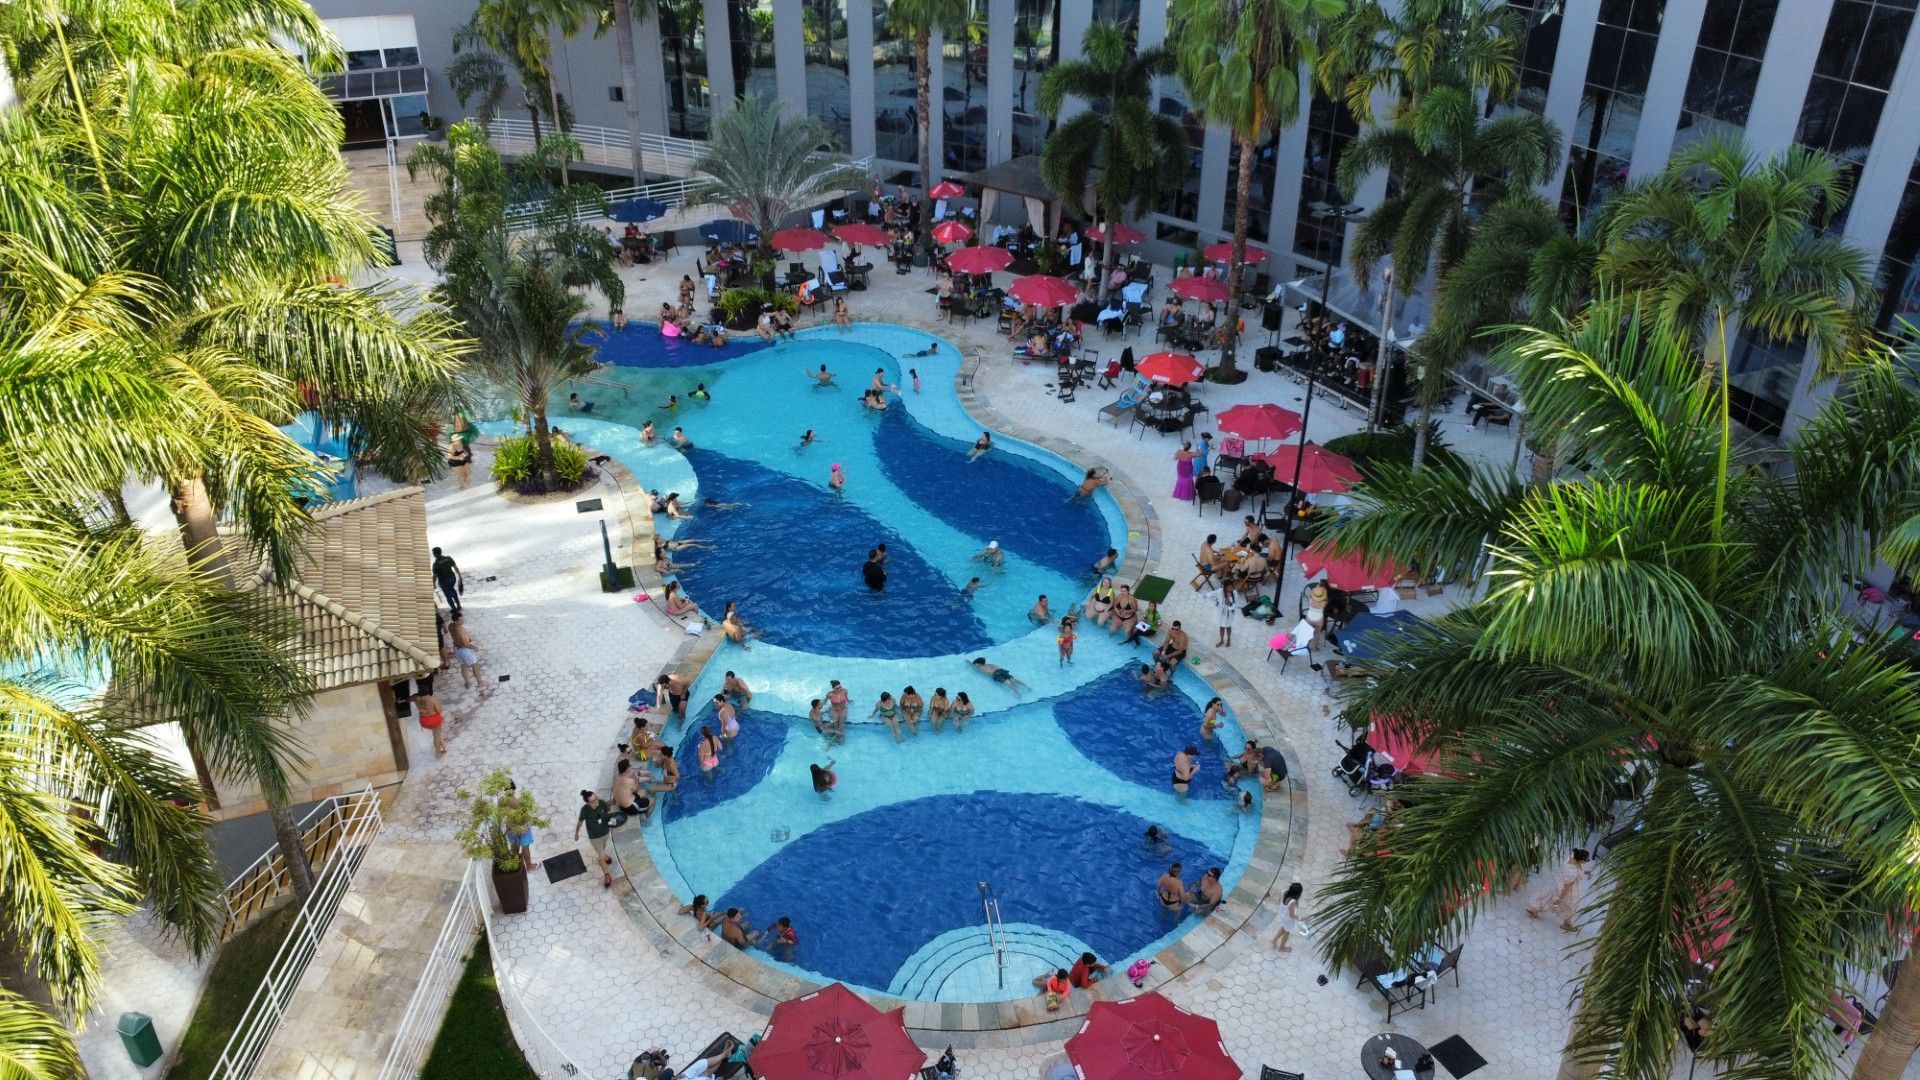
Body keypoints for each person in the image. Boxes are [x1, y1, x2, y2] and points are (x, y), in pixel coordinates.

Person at [1528, 848, 1592, 932]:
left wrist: (1585, 872)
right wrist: (1560, 898)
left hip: (1558, 883)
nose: (1586, 862)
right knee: (1570, 907)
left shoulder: (1571, 858)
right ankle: (1566, 924)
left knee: (1548, 897)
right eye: (1585, 861)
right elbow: (1567, 887)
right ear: (1580, 860)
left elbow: (1578, 869)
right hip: (1566, 890)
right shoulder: (1573, 873)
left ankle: (1534, 909)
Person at [574, 790, 615, 887]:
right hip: (595, 837)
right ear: (588, 803)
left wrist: (613, 822)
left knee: (603, 848)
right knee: (600, 857)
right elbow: (580, 822)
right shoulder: (585, 810)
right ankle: (607, 875)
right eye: (592, 801)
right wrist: (576, 833)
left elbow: (608, 812)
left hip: (605, 832)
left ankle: (603, 854)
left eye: (596, 798)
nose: (596, 801)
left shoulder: (601, 802)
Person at [449, 617, 487, 689]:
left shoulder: (450, 625)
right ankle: (480, 682)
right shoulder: (459, 631)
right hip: (465, 651)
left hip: (457, 650)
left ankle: (468, 683)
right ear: (456, 621)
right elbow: (465, 644)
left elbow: (457, 639)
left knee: (463, 665)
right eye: (461, 619)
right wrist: (474, 647)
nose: (463, 620)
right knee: (475, 666)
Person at [1270, 882, 1305, 952]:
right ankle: (1282, 948)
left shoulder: (1284, 892)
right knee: (1287, 933)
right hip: (1288, 920)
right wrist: (1300, 918)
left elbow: (1279, 901)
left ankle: (1274, 941)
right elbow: (1291, 915)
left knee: (1283, 928)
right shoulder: (1293, 902)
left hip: (1281, 915)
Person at [431, 547, 463, 616]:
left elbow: (435, 576)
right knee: (452, 590)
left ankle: (454, 609)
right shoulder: (448, 558)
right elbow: (455, 567)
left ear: (434, 554)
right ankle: (458, 605)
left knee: (448, 595)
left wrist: (433, 584)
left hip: (444, 581)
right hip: (452, 578)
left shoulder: (435, 564)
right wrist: (459, 575)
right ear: (441, 552)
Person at [414, 689, 445, 755]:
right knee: (436, 736)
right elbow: (439, 710)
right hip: (434, 720)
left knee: (437, 733)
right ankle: (438, 753)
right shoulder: (431, 699)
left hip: (424, 721)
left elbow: (408, 699)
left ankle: (444, 748)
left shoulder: (416, 698)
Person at [1214, 581, 1237, 646]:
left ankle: (1228, 639)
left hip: (1229, 614)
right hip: (1221, 613)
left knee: (1228, 627)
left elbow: (1236, 604)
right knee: (1221, 626)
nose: (1231, 588)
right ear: (1225, 588)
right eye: (1229, 587)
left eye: (1231, 587)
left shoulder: (1234, 593)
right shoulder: (1220, 591)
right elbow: (1213, 595)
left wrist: (1229, 603)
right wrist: (1217, 602)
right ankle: (1221, 640)